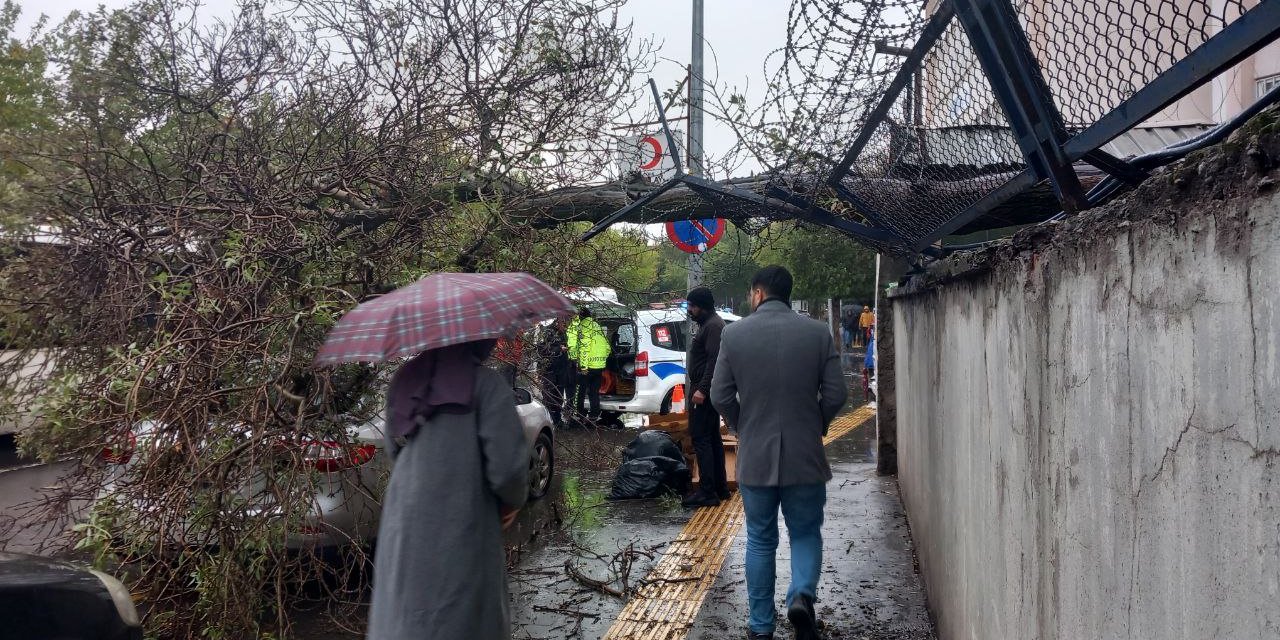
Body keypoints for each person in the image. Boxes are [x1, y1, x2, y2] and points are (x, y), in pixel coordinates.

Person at [711, 265, 848, 640]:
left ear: (757, 294)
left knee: (760, 538)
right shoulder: (818, 333)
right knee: (805, 533)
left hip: (756, 456)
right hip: (805, 456)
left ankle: (760, 627)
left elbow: (719, 394)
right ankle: (802, 596)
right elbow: (837, 394)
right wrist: (815, 423)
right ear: (787, 293)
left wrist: (744, 427)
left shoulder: (734, 335)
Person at [368, 340, 529, 640]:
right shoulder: (486, 385)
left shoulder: (403, 380)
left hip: (404, 525)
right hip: (461, 525)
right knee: (463, 616)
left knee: (405, 614)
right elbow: (508, 470)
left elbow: (394, 448)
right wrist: (512, 503)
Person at [682, 286, 728, 508]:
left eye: (692, 306)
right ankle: (720, 487)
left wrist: (702, 389)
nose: (689, 310)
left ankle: (708, 491)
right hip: (706, 390)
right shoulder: (710, 324)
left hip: (704, 393)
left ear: (701, 307)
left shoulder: (713, 327)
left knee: (702, 439)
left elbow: (714, 361)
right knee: (712, 439)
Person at [566, 308, 610, 422]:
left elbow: (584, 348)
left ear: (581, 316)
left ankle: (579, 414)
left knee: (579, 391)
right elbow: (607, 347)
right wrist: (602, 360)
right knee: (593, 392)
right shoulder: (597, 326)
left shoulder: (583, 327)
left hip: (587, 366)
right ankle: (594, 415)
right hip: (599, 366)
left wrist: (584, 366)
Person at [536, 319, 571, 426]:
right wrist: (559, 349)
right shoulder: (546, 332)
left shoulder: (563, 334)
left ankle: (557, 418)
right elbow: (542, 350)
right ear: (557, 322)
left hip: (561, 369)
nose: (565, 324)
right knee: (548, 395)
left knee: (559, 395)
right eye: (563, 322)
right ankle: (549, 419)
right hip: (549, 370)